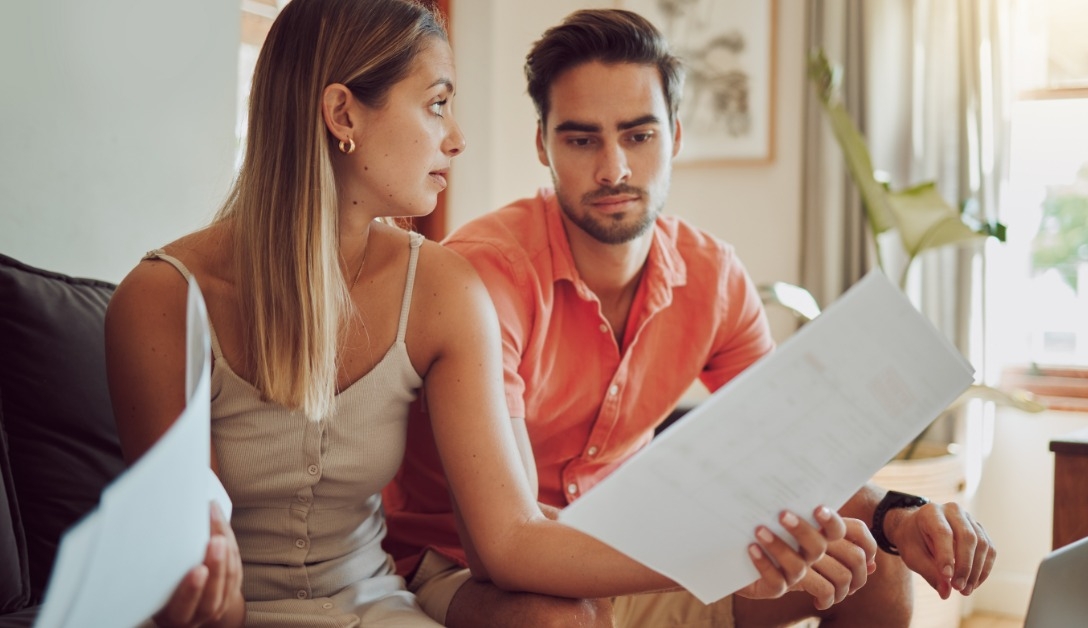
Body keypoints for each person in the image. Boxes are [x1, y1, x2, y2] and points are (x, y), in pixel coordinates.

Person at [104, 1, 846, 627]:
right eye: (436, 105)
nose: (456, 138)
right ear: (342, 115)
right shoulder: (162, 299)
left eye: (639, 134)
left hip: (377, 607)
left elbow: (510, 538)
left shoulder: (442, 289)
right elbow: (175, 571)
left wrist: (730, 550)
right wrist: (194, 591)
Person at [384, 8, 998, 628]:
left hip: (627, 549)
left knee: (874, 567)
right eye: (581, 138)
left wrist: (900, 514)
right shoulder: (487, 276)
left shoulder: (713, 277)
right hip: (461, 561)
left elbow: (790, 451)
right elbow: (509, 548)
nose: (614, 169)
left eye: (638, 135)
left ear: (675, 136)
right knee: (559, 619)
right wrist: (712, 558)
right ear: (542, 144)